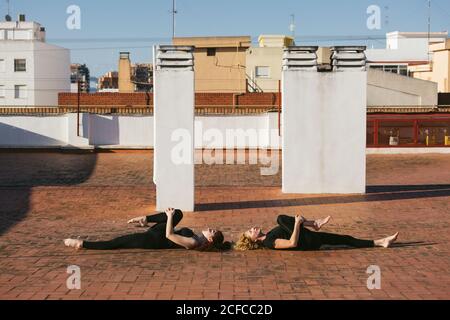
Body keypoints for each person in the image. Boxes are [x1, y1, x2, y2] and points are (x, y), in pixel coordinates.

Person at [64, 208, 231, 251]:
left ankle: (82, 244)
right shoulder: (195, 236)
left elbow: (170, 235)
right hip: (157, 233)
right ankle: (146, 218)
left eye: (212, 231)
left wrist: (169, 217)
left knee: (118, 242)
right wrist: (172, 216)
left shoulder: (193, 242)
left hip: (154, 240)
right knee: (179, 213)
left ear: (210, 239)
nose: (210, 228)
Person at [234, 214, 398, 251]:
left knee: (346, 239)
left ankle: (380, 242)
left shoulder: (268, 234)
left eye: (251, 229)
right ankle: (315, 223)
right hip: (307, 242)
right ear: (254, 240)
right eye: (251, 232)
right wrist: (298, 224)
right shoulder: (269, 242)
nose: (253, 228)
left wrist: (298, 224)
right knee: (281, 219)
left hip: (311, 237)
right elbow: (292, 243)